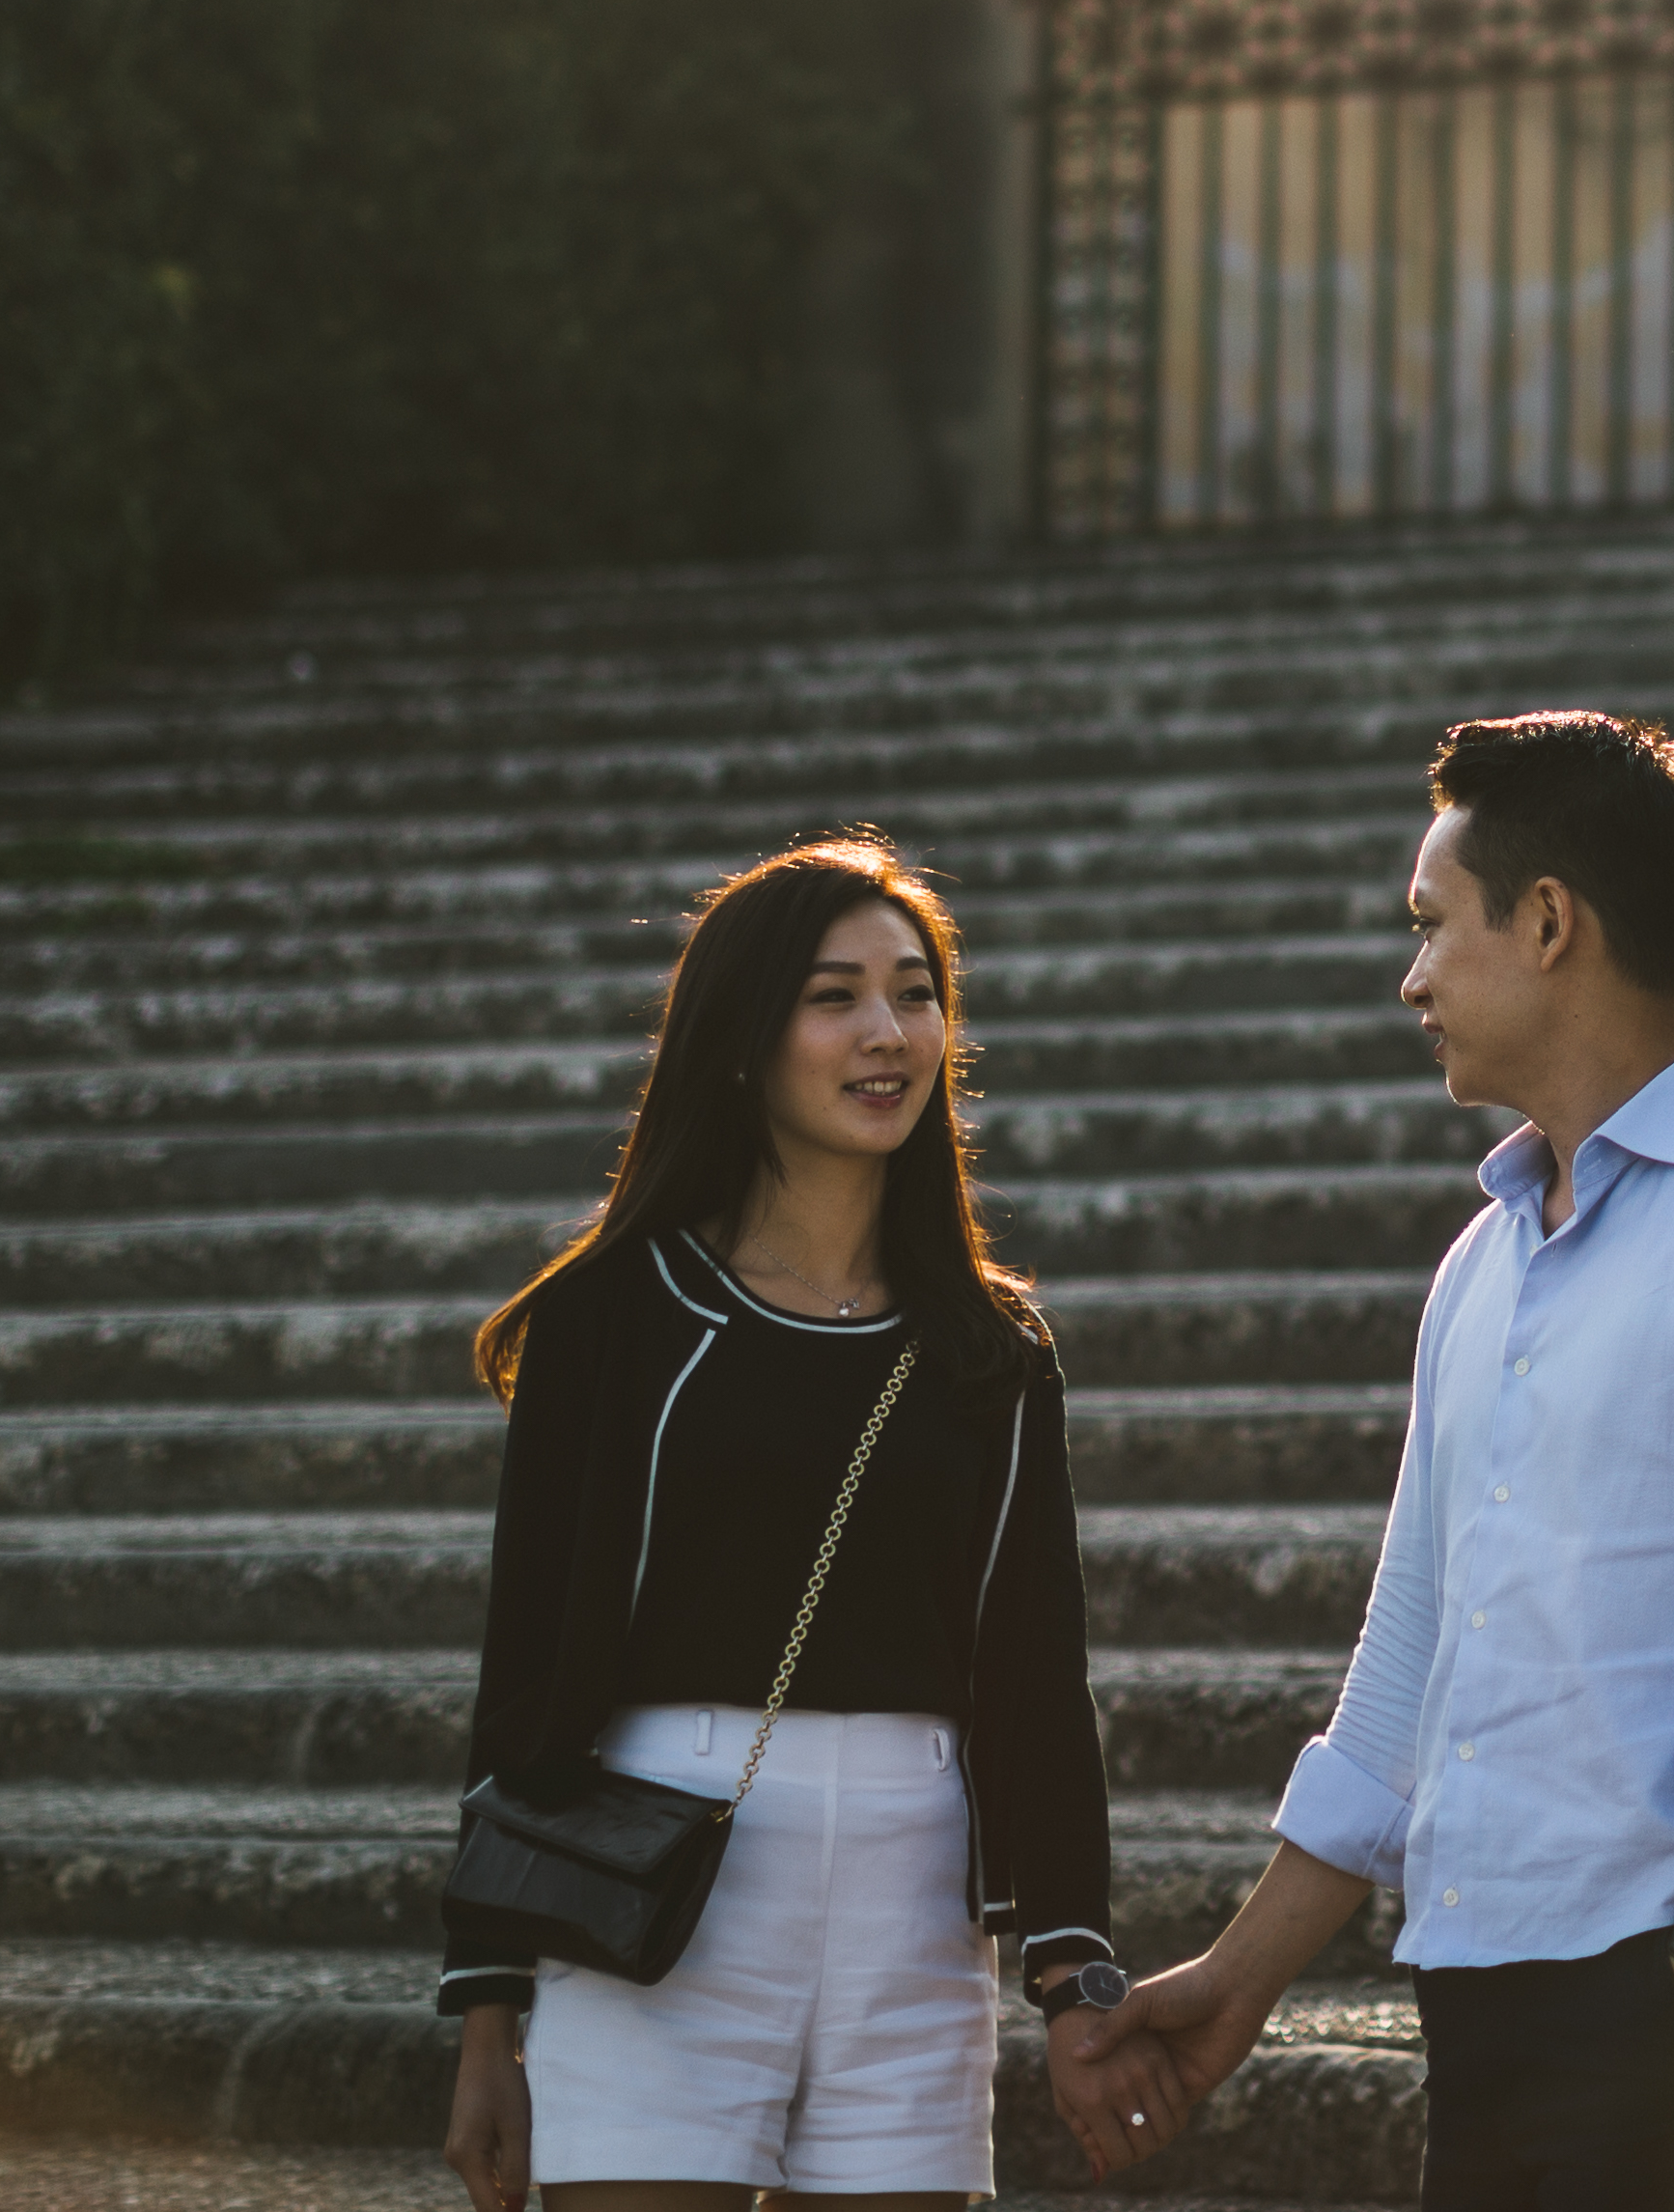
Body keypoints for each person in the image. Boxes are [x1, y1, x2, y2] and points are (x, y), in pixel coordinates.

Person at [1090, 712, 1674, 2212]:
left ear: (1547, 924)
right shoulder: (1480, 1264)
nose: (1411, 978)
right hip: (1486, 1981)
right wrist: (1243, 1977)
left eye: (1429, 925)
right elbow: (1408, 1647)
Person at [436, 834, 1182, 2212]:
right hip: (658, 1882)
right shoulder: (616, 1314)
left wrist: (1075, 1968)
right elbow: (528, 1654)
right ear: (743, 1039)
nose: (886, 1033)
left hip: (915, 1903)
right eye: (834, 996)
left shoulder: (992, 1353)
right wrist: (488, 2011)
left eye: (914, 992)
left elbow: (1034, 1676)